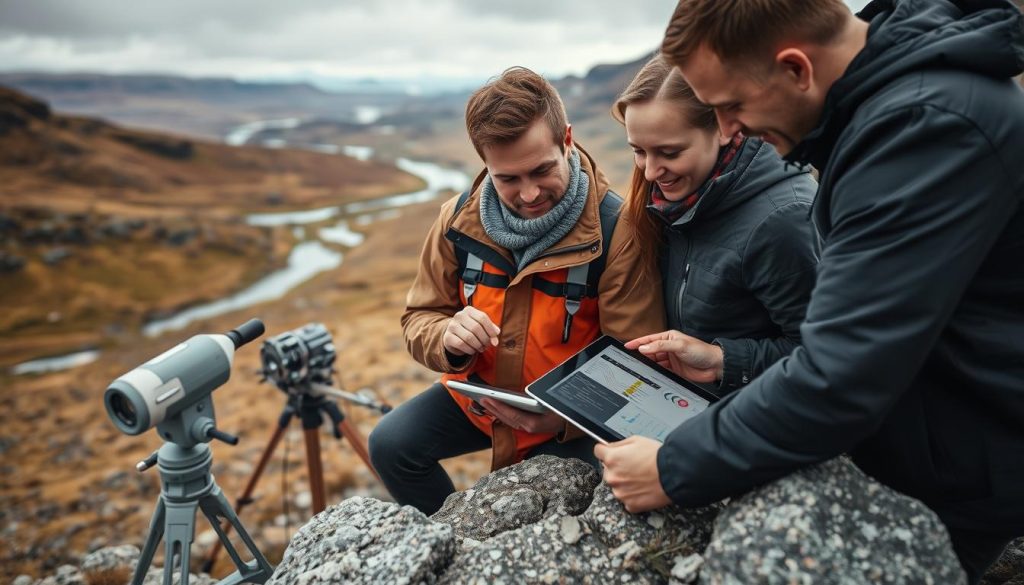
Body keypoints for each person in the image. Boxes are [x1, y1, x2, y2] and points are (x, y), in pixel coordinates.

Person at [596, 0, 1024, 581]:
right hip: (932, 446)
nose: (728, 131)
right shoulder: (885, 118)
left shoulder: (924, 130)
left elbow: (840, 371)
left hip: (962, 471)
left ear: (797, 68)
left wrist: (674, 466)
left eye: (732, 106)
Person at [370, 66, 665, 515]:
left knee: (550, 508)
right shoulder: (455, 219)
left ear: (566, 139)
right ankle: (448, 540)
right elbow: (419, 318)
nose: (529, 194)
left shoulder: (618, 228)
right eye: (508, 178)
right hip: (482, 400)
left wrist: (562, 419)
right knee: (391, 446)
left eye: (542, 170)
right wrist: (447, 340)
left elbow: (631, 360)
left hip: (570, 423)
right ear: (484, 163)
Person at [611, 54, 818, 393]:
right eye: (639, 151)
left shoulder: (785, 220)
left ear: (724, 127)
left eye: (670, 152)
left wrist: (721, 360)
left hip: (759, 425)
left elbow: (826, 354)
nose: (649, 172)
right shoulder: (675, 196)